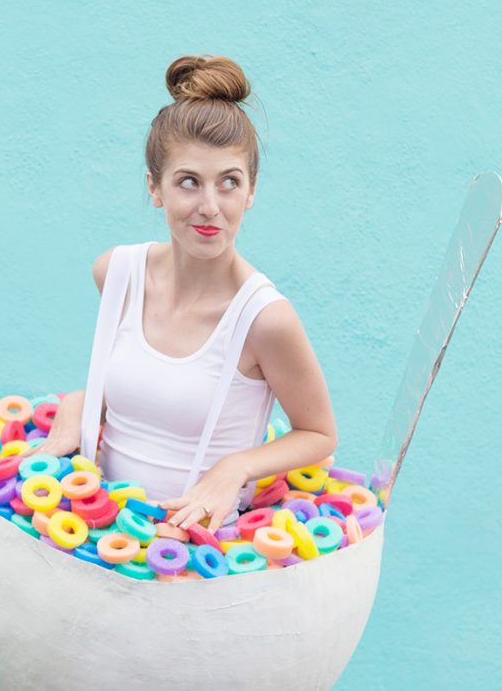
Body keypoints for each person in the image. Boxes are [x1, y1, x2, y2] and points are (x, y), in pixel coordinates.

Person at [20, 54, 337, 534]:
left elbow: (318, 433)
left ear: (251, 191)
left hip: (198, 555)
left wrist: (235, 467)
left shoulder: (264, 320)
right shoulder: (117, 274)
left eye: (229, 182)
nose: (210, 207)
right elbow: (143, 389)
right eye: (188, 182)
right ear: (155, 188)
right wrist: (78, 407)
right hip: (98, 537)